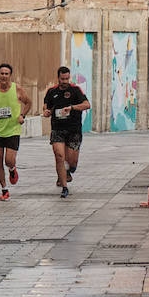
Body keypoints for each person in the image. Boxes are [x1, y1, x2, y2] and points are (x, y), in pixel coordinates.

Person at [0, 61, 31, 200]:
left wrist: (22, 115)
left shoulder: (17, 89)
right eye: (2, 73)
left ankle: (12, 169)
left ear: (10, 75)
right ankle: (4, 189)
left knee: (9, 160)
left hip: (13, 130)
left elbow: (28, 102)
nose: (4, 76)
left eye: (6, 74)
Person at [42, 66, 91, 198]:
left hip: (73, 130)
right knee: (59, 156)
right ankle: (64, 187)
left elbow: (87, 105)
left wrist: (72, 107)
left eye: (67, 78)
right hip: (57, 129)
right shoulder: (52, 91)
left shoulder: (75, 90)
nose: (65, 81)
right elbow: (47, 107)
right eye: (62, 79)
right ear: (58, 78)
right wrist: (46, 112)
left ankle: (70, 170)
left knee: (72, 162)